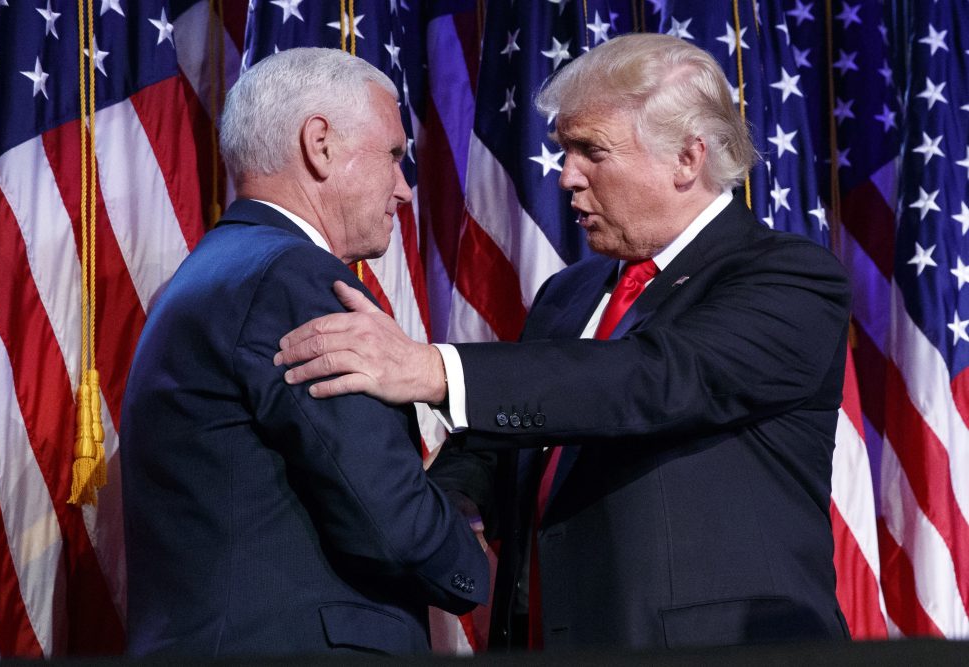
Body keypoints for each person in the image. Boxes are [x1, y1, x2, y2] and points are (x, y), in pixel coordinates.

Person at [274, 33, 852, 651]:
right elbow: (502, 437)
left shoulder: (788, 278)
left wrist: (434, 370)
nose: (566, 176)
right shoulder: (567, 294)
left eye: (590, 151)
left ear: (687, 158)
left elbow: (652, 378)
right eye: (563, 150)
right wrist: (446, 509)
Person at [119, 47, 488, 657]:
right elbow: (386, 519)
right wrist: (471, 553)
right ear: (319, 143)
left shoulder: (218, 271)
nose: (404, 188)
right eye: (395, 155)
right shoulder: (289, 279)